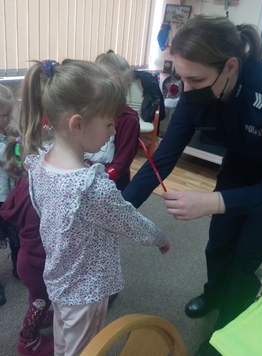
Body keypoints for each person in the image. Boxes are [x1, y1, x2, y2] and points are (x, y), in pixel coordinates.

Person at [122, 14, 262, 355]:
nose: (185, 90)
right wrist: (119, 209)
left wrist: (214, 202)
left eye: (196, 79)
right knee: (218, 244)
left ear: (230, 66)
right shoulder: (196, 92)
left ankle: (225, 327)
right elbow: (162, 158)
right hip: (238, 170)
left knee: (243, 262)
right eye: (181, 77)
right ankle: (212, 294)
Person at [22, 59, 169, 356]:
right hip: (86, 287)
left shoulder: (40, 164)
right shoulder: (91, 188)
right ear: (76, 123)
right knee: (86, 348)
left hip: (59, 274)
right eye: (108, 123)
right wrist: (160, 237)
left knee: (65, 337)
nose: (113, 131)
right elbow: (131, 222)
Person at [0, 61, 57, 355]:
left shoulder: (28, 154)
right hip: (37, 263)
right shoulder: (44, 162)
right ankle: (28, 341)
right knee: (37, 301)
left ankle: (39, 313)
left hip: (30, 257)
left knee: (38, 297)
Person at [87, 50, 140, 192]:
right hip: (85, 179)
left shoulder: (129, 120)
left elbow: (121, 165)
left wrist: (98, 181)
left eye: (119, 89)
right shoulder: (89, 111)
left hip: (111, 186)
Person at [0, 84, 20, 282]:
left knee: (16, 236)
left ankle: (18, 265)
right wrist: (13, 144)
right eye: (6, 115)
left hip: (9, 196)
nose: (10, 119)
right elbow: (11, 161)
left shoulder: (4, 135)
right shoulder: (5, 141)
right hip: (1, 197)